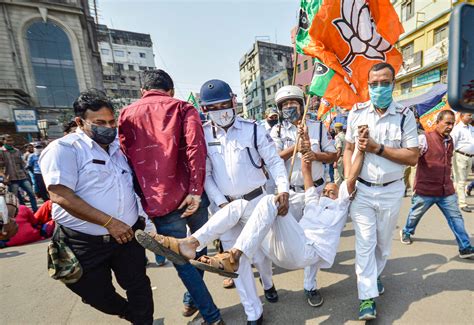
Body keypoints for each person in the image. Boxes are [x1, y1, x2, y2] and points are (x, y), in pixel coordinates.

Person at [136, 79, 289, 325]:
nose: (220, 111)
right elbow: (204, 174)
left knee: (260, 255)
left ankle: (268, 283)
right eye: (213, 108)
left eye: (224, 105)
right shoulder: (204, 134)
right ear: (205, 111)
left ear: (234, 102)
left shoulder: (254, 129)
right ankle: (253, 312)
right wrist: (220, 202)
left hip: (256, 201)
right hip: (226, 207)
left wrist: (283, 189)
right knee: (235, 261)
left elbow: (273, 161)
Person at [39, 89, 153, 324]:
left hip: (127, 237)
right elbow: (60, 195)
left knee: (139, 285)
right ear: (80, 122)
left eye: (112, 122)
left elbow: (128, 188)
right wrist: (110, 223)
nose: (108, 127)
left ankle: (143, 320)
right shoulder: (65, 149)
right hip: (85, 242)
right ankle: (128, 313)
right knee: (95, 294)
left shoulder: (117, 150)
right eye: (100, 122)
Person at [119, 70, 223, 324]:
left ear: (142, 91)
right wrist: (196, 191)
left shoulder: (126, 114)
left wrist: (144, 199)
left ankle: (199, 305)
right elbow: (197, 150)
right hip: (191, 195)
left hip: (159, 201)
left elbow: (126, 160)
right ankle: (207, 311)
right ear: (171, 90)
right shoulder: (183, 108)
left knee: (183, 262)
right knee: (198, 250)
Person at [344, 62, 419, 320]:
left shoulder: (405, 115)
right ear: (368, 85)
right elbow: (347, 148)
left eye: (384, 83)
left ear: (393, 84)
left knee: (383, 245)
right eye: (373, 84)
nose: (378, 88)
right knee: (365, 242)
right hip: (363, 191)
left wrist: (378, 148)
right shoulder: (356, 112)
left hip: (391, 191)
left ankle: (373, 276)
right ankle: (367, 298)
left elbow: (412, 157)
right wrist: (348, 178)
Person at [270, 85, 337, 307]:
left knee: (313, 239)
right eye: (285, 105)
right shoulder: (277, 132)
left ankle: (310, 285)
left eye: (293, 103)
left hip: (314, 192)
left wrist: (314, 153)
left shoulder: (318, 128)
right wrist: (295, 148)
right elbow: (272, 158)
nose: (290, 108)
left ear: (301, 104)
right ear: (280, 109)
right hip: (290, 192)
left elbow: (332, 155)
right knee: (290, 237)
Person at [400, 110, 473, 258]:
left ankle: (465, 247)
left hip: (446, 190)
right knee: (415, 215)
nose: (450, 126)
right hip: (426, 190)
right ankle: (407, 231)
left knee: (456, 218)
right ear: (437, 122)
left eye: (452, 123)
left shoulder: (450, 140)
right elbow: (412, 158)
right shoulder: (424, 139)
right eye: (447, 123)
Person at [0, 135, 38, 212]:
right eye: (8, 140)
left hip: (22, 176)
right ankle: (22, 212)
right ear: (3, 141)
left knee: (31, 194)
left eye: (11, 140)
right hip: (11, 178)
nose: (10, 142)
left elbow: (22, 163)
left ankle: (35, 211)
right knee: (15, 197)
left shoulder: (17, 151)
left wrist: (26, 172)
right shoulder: (1, 152)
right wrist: (4, 177)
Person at [451, 113, 473, 212]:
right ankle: (462, 203)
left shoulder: (471, 128)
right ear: (461, 116)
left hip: (470, 157)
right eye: (468, 115)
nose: (471, 117)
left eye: (471, 115)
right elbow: (452, 143)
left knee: (459, 181)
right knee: (461, 181)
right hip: (460, 156)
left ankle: (451, 199)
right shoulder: (457, 129)